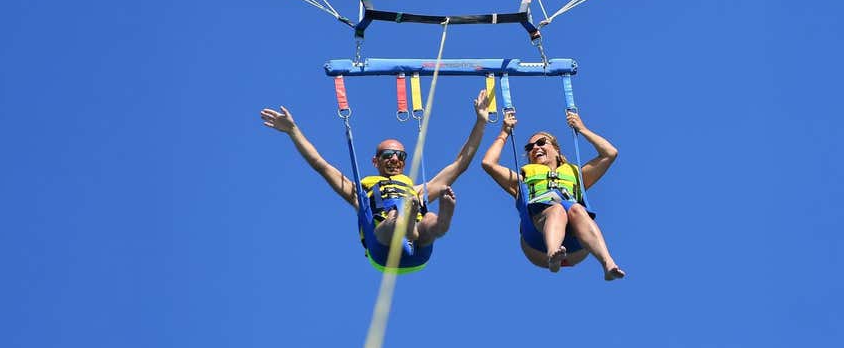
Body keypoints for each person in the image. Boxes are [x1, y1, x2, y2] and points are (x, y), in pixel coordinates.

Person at [260, 89, 490, 270]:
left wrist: (480, 122)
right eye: (387, 155)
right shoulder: (361, 191)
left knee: (429, 219)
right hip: (382, 248)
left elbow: (460, 164)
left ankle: (439, 218)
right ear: (375, 161)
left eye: (400, 156)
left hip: (419, 250)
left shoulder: (418, 191)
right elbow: (321, 165)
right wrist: (293, 131)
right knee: (395, 220)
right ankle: (405, 219)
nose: (394, 159)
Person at [481, 109, 626, 280]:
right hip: (537, 244)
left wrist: (581, 128)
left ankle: (608, 263)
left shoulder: (577, 175)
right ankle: (553, 254)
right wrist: (504, 132)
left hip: (576, 246)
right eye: (530, 147)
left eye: (542, 142)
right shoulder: (523, 181)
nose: (535, 148)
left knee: (576, 209)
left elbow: (610, 153)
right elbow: (488, 163)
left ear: (556, 150)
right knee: (557, 209)